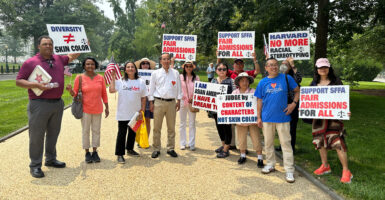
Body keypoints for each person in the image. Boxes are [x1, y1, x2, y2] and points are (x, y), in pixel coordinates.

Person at [16, 35, 80, 178]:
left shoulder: (58, 59)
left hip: (57, 103)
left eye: (50, 44)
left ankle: (50, 159)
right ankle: (35, 165)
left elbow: (72, 55)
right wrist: (35, 85)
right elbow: (19, 81)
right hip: (39, 103)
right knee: (37, 136)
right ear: (38, 46)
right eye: (45, 44)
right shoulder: (30, 62)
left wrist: (81, 44)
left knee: (53, 133)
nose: (48, 46)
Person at [255, 58, 299, 183]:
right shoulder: (262, 82)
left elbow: (297, 91)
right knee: (268, 143)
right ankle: (270, 164)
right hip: (267, 118)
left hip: (283, 117)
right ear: (266, 68)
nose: (273, 67)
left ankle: (289, 170)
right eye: (270, 65)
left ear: (278, 66)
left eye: (275, 65)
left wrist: (293, 104)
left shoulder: (286, 78)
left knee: (286, 144)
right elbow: (259, 100)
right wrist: (258, 117)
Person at [310, 58, 353, 184]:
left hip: (333, 118)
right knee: (320, 142)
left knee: (337, 142)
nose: (323, 69)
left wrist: (346, 110)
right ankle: (325, 165)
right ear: (317, 69)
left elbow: (343, 100)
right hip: (318, 119)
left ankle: (346, 170)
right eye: (320, 67)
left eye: (325, 67)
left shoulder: (336, 82)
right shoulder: (313, 84)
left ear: (329, 68)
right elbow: (310, 100)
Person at [65, 57, 109, 163]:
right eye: (88, 64)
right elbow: (75, 95)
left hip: (97, 108)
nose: (90, 66)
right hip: (85, 109)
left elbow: (104, 93)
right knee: (85, 131)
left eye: (92, 64)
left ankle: (95, 151)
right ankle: (87, 152)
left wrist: (107, 107)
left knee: (96, 131)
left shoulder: (100, 78)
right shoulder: (79, 78)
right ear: (84, 66)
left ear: (95, 65)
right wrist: (70, 90)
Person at [217, 51, 261, 150]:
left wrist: (255, 59)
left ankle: (244, 149)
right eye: (237, 63)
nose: (238, 65)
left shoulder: (246, 73)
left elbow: (257, 71)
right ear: (233, 65)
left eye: (240, 63)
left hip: (244, 104)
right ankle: (231, 144)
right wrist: (218, 57)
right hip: (232, 102)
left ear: (243, 65)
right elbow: (220, 70)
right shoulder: (230, 72)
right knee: (231, 126)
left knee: (243, 126)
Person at [109, 62, 147, 164]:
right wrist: (113, 77)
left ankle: (130, 149)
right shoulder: (120, 81)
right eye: (128, 67)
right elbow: (111, 90)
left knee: (132, 132)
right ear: (125, 69)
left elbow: (144, 97)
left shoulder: (141, 82)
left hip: (135, 112)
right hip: (123, 112)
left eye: (132, 67)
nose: (130, 68)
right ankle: (120, 154)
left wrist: (142, 110)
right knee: (122, 133)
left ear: (135, 69)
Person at [148, 53, 182, 158]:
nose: (166, 61)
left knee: (171, 127)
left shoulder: (175, 73)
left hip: (171, 103)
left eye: (168, 59)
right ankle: (156, 148)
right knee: (156, 127)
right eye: (164, 59)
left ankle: (170, 148)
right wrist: (151, 102)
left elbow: (179, 88)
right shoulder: (155, 73)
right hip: (158, 102)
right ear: (161, 61)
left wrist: (179, 100)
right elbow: (151, 88)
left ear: (170, 60)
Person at [232, 72, 264, 167]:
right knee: (241, 138)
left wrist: (258, 117)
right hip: (240, 120)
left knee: (256, 138)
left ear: (249, 82)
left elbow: (258, 103)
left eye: (246, 80)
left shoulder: (254, 92)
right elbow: (231, 106)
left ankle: (260, 158)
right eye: (242, 81)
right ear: (238, 82)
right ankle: (242, 155)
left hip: (252, 120)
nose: (244, 83)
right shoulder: (234, 93)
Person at [276, 57, 302, 153]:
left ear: (290, 67)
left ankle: (291, 147)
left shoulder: (293, 75)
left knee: (292, 126)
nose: (283, 66)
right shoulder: (278, 75)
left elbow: (299, 79)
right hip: (281, 103)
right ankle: (282, 145)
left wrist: (293, 64)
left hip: (293, 103)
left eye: (286, 64)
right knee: (282, 126)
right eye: (282, 64)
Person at [211, 63, 236, 158]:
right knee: (219, 128)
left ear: (227, 70)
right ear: (216, 70)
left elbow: (234, 94)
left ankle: (226, 149)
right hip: (215, 110)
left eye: (224, 69)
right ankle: (223, 144)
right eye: (219, 69)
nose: (222, 71)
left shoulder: (231, 81)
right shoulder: (213, 80)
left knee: (227, 128)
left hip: (226, 110)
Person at [179, 60, 200, 151]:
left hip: (192, 102)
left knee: (192, 123)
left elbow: (199, 90)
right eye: (187, 66)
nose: (188, 68)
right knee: (182, 123)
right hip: (182, 102)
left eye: (190, 66)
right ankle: (182, 143)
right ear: (184, 67)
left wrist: (194, 97)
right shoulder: (180, 77)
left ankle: (191, 143)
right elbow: (177, 88)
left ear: (192, 67)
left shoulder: (196, 78)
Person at [135, 58, 156, 140]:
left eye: (147, 63)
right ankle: (138, 139)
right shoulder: (135, 74)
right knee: (137, 120)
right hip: (137, 98)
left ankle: (145, 139)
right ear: (140, 65)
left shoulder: (154, 74)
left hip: (148, 98)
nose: (145, 64)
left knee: (147, 120)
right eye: (143, 63)